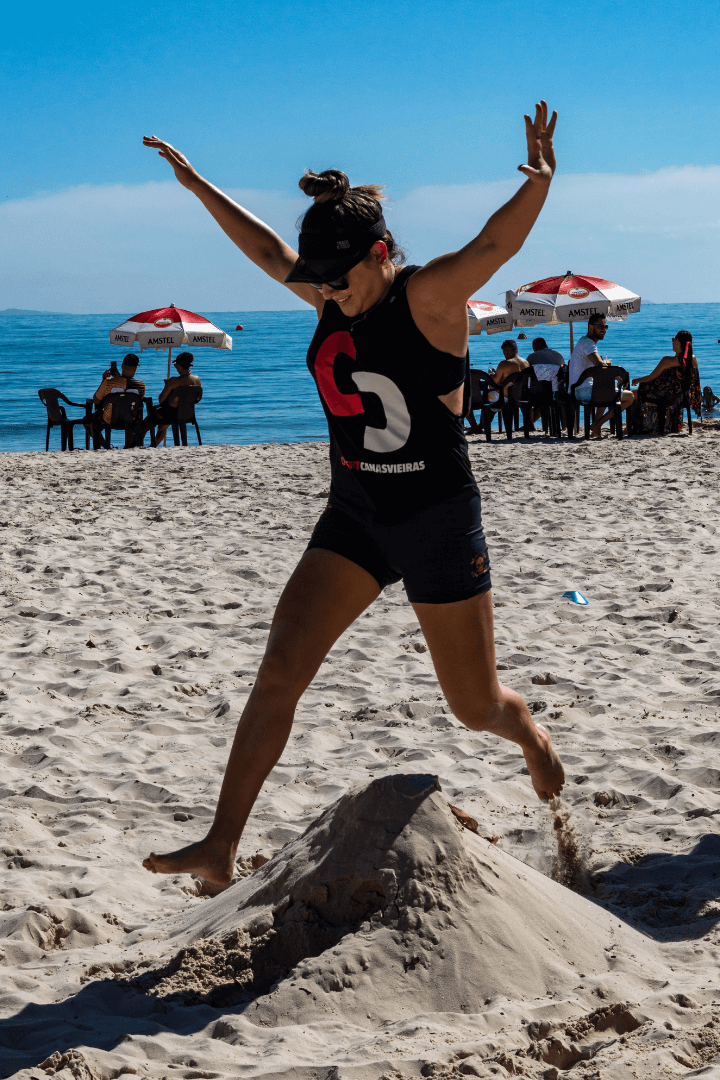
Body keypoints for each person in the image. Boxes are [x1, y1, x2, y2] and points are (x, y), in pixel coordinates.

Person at [141, 101, 565, 886]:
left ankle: (530, 732)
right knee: (280, 671)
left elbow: (495, 243)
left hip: (437, 522)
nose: (327, 294)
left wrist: (540, 181)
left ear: (379, 254)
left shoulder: (431, 298)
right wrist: (198, 183)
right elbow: (269, 252)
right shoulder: (331, 291)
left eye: (339, 278)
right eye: (320, 283)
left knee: (474, 708)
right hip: (358, 515)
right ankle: (221, 842)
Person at [569, 314, 633, 439]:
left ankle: (595, 430)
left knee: (604, 389)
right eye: (601, 326)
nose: (604, 329)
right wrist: (618, 378)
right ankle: (597, 424)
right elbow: (599, 365)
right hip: (582, 391)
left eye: (606, 326)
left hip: (579, 389)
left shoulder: (584, 341)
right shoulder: (588, 343)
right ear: (590, 327)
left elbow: (599, 365)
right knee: (630, 397)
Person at [630, 331, 701, 433]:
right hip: (682, 397)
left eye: (673, 340)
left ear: (677, 341)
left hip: (665, 396)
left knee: (633, 394)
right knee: (646, 391)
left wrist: (636, 380)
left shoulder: (667, 360)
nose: (672, 342)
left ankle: (632, 428)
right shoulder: (693, 360)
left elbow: (650, 377)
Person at [136, 351, 202, 447]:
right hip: (188, 413)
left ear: (179, 366)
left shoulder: (173, 381)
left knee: (145, 424)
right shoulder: (196, 379)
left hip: (170, 414)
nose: (175, 367)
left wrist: (167, 386)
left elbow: (161, 400)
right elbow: (197, 398)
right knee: (162, 426)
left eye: (175, 365)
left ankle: (138, 444)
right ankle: (152, 446)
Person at [92, 354, 146, 449]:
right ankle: (128, 447)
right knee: (129, 410)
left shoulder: (108, 382)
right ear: (136, 368)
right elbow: (136, 402)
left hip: (109, 419)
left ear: (122, 366)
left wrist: (104, 380)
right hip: (131, 420)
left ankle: (106, 446)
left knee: (88, 421)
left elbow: (96, 400)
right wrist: (119, 378)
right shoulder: (141, 385)